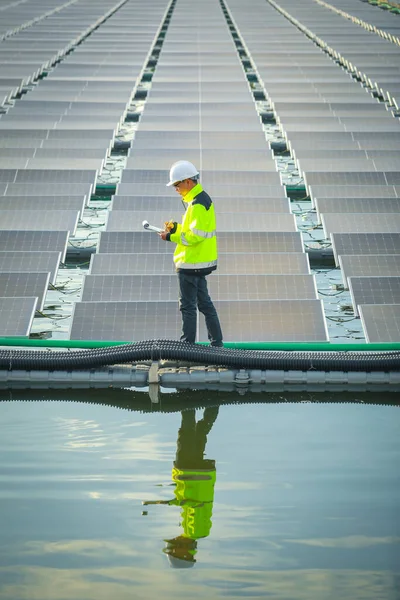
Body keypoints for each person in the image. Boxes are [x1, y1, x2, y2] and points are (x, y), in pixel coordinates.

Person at [143, 406, 219, 568]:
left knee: (201, 432)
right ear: (182, 550)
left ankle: (215, 400)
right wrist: (166, 503)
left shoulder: (192, 531)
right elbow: (194, 504)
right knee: (186, 432)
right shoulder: (196, 532)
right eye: (174, 547)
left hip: (199, 475)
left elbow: (191, 502)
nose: (174, 541)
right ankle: (187, 397)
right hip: (190, 472)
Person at [159, 160, 223, 347]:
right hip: (199, 262)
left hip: (191, 263)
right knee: (205, 305)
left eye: (177, 185)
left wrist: (170, 237)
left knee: (188, 307)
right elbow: (193, 230)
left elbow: (194, 237)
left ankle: (187, 347)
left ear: (188, 181)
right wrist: (176, 228)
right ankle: (216, 345)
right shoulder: (200, 200)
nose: (176, 189)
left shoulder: (197, 205)